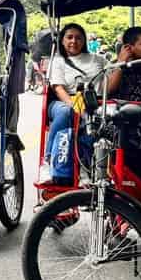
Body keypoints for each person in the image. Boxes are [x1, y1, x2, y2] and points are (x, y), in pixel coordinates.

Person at [38, 23, 107, 183]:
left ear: (84, 41)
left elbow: (108, 84)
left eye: (78, 38)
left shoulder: (98, 60)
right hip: (63, 101)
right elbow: (58, 88)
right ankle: (47, 162)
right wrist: (75, 106)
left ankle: (86, 168)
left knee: (94, 120)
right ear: (62, 40)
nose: (74, 41)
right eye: (69, 37)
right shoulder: (58, 61)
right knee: (66, 112)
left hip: (92, 101)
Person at [108, 26, 141, 101]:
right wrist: (120, 63)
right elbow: (108, 90)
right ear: (128, 47)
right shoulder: (115, 66)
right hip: (118, 106)